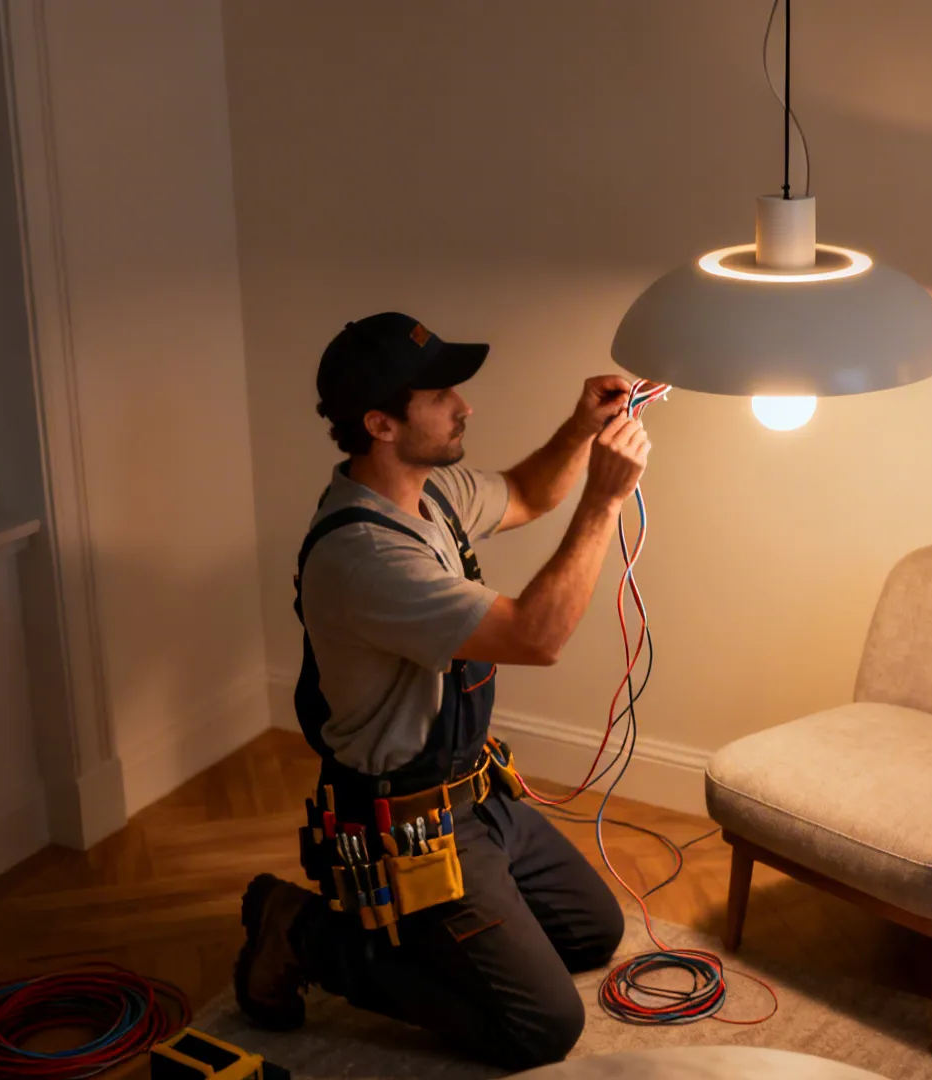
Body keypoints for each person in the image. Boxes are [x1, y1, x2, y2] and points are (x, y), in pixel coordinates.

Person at [233, 312, 647, 1068]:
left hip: (476, 796)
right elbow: (536, 637)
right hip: (405, 823)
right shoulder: (364, 556)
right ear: (381, 423)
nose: (464, 406)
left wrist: (580, 428)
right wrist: (605, 501)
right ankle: (301, 931)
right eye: (440, 396)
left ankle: (443, 932)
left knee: (592, 932)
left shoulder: (433, 492)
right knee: (541, 1027)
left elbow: (526, 492)